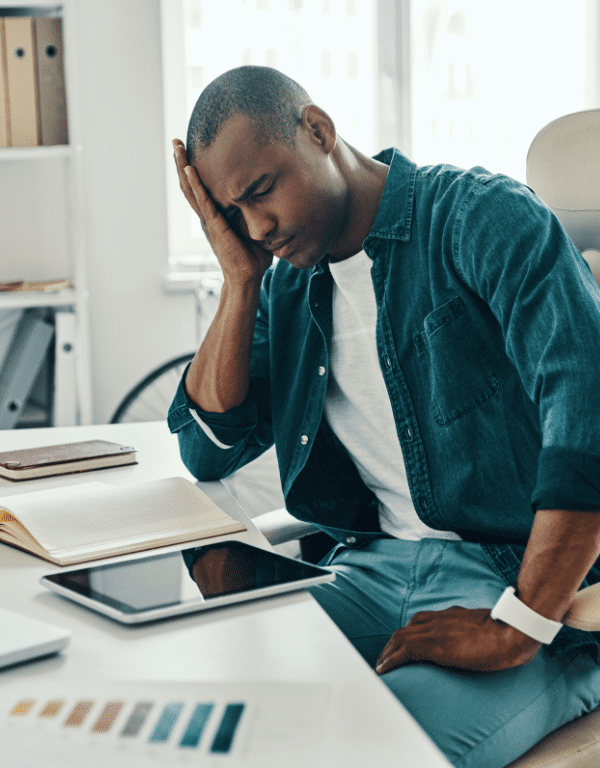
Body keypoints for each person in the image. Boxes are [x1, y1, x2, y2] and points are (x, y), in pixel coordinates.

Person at [166, 65, 600, 768]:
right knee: (194, 711)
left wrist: (521, 624)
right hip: (366, 571)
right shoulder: (288, 283)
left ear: (318, 130)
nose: (258, 227)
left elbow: (589, 428)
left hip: (522, 584)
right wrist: (239, 278)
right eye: (232, 213)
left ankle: (569, 665)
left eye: (261, 192)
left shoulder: (481, 219)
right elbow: (208, 448)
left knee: (373, 750)